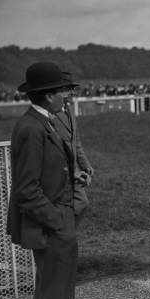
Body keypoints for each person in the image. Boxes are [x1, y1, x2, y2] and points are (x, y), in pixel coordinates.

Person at [7, 62, 79, 299]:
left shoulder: (42, 122)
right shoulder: (31, 128)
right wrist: (59, 222)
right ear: (49, 96)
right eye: (63, 91)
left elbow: (45, 176)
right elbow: (26, 190)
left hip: (54, 225)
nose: (67, 96)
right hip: (51, 229)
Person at [53, 72, 94, 223]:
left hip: (73, 169)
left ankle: (65, 234)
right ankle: (63, 235)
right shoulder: (51, 114)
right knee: (70, 205)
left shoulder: (69, 109)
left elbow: (76, 141)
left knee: (81, 203)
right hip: (59, 170)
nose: (72, 92)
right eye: (69, 88)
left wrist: (85, 164)